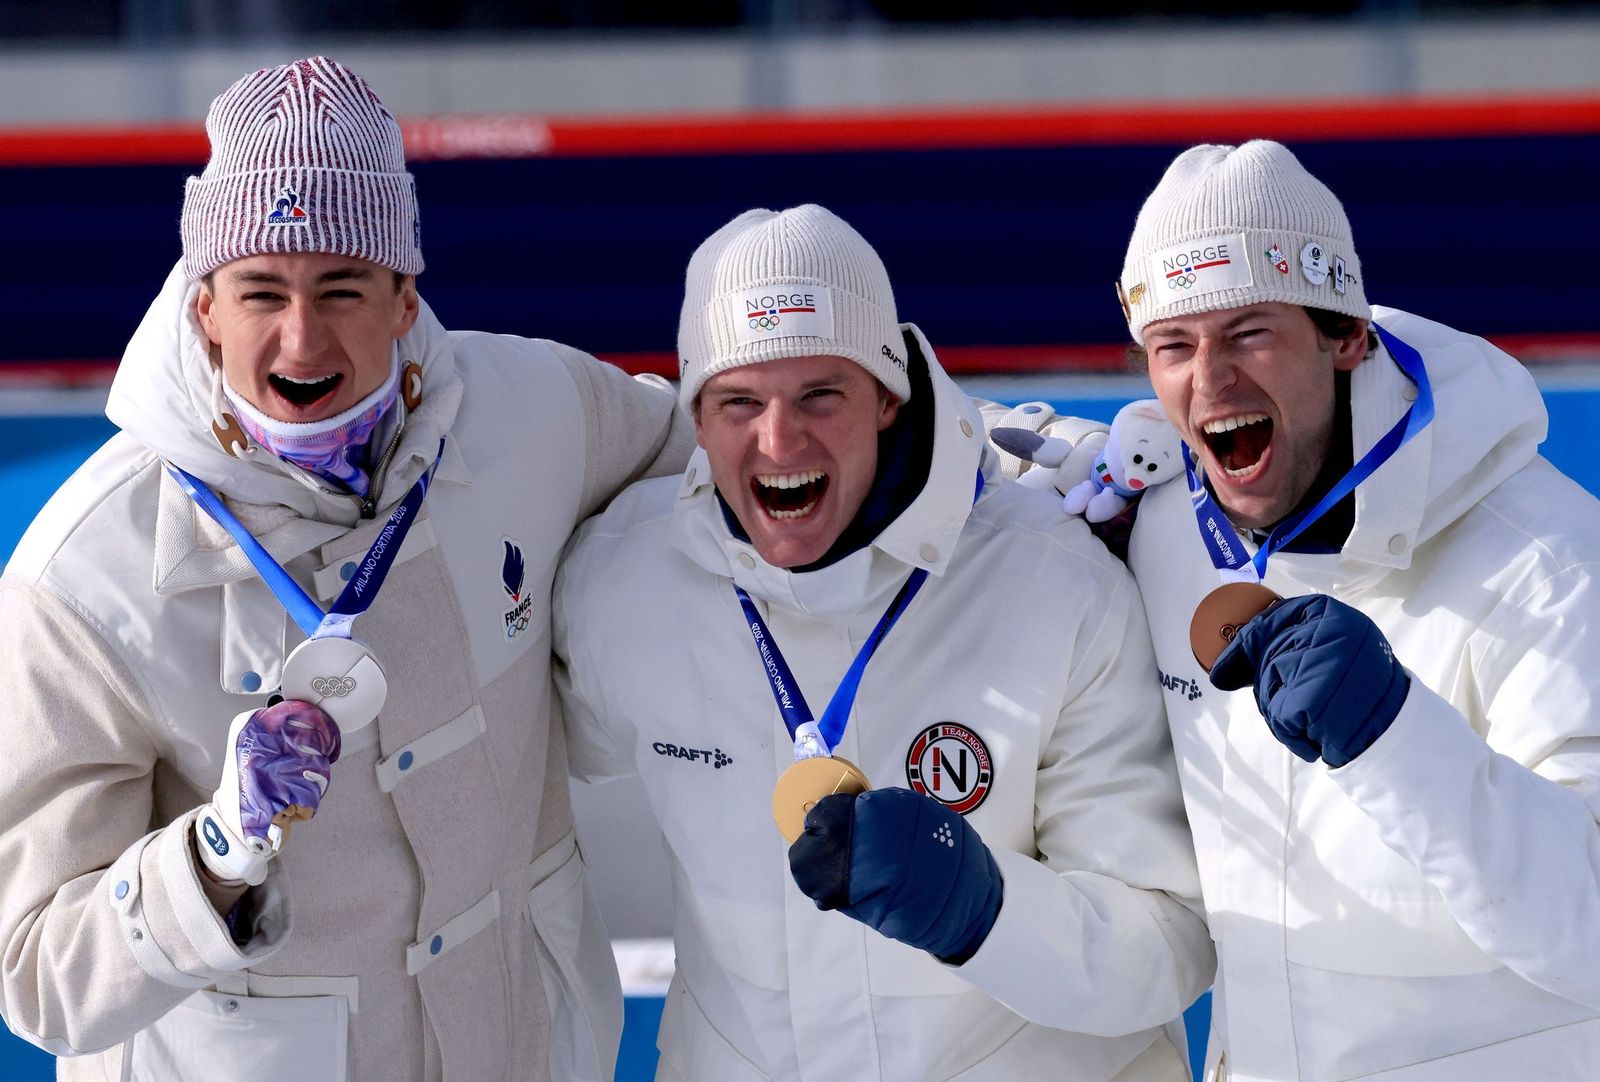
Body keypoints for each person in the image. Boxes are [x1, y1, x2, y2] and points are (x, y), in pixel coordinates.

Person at [0, 57, 693, 1081]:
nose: (300, 335)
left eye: (341, 286)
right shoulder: (86, 577)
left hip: (526, 1045)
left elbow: (746, 458)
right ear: (205, 306)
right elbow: (36, 972)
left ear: (404, 295)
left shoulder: (534, 409)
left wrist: (960, 461)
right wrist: (215, 853)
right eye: (260, 290)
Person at [553, 204, 1214, 1081]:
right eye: (738, 401)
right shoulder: (622, 583)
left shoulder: (1053, 582)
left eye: (821, 394)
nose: (778, 439)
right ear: (695, 416)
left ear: (887, 396)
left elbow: (1170, 942)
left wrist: (982, 913)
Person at [1098, 140, 1600, 1080]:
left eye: (1249, 332)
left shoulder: (1550, 564)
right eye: (1173, 344)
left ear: (1345, 336)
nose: (1208, 380)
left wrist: (1398, 739)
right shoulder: (1161, 529)